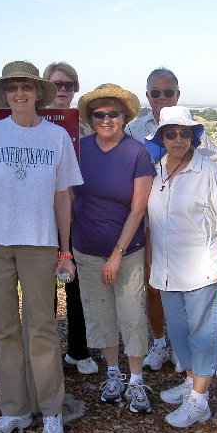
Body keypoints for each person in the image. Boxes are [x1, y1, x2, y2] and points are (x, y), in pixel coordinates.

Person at [0, 61, 83, 433]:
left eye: (27, 87)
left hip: (39, 241)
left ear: (38, 92)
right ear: (5, 94)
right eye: (13, 88)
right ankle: (15, 409)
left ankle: (51, 409)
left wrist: (65, 250)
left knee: (42, 328)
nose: (20, 94)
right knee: (3, 329)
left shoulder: (56, 138)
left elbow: (62, 197)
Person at [125, 67, 217, 372]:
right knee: (153, 284)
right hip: (146, 218)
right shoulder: (134, 130)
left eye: (167, 92)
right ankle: (160, 344)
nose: (161, 98)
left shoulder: (191, 129)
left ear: (177, 95)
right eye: (155, 93)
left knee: (185, 288)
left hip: (184, 223)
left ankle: (190, 363)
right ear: (147, 96)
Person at [144, 106, 217, 428]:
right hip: (168, 272)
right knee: (180, 334)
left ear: (193, 137)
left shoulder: (208, 172)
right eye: (171, 134)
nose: (178, 139)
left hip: (203, 270)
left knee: (203, 336)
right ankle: (189, 383)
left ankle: (200, 401)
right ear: (161, 137)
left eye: (185, 133)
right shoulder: (155, 171)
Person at [72, 84, 155, 413]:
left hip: (128, 250)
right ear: (91, 118)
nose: (106, 119)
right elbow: (68, 198)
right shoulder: (78, 150)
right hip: (87, 249)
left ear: (124, 117)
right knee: (101, 314)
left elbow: (138, 208)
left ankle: (135, 381)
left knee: (132, 314)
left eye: (113, 113)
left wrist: (118, 253)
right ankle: (112, 374)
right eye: (99, 114)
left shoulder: (137, 153)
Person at [42, 62, 98, 375]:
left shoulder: (86, 125)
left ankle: (78, 349)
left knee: (76, 284)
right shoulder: (33, 123)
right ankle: (46, 351)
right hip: (41, 214)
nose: (63, 90)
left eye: (69, 85)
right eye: (56, 84)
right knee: (42, 286)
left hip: (79, 214)